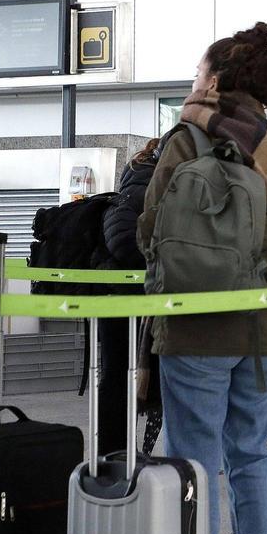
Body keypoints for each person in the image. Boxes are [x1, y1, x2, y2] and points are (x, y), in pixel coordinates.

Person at [137, 22, 267, 534]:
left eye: (199, 70)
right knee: (251, 444)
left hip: (195, 324)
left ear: (217, 79)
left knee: (194, 451)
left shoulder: (187, 138)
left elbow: (149, 226)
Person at [100, 136, 162, 456]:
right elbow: (123, 240)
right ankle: (117, 456)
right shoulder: (140, 190)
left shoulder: (140, 187)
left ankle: (124, 454)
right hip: (126, 303)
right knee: (121, 383)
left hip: (130, 302)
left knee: (124, 383)